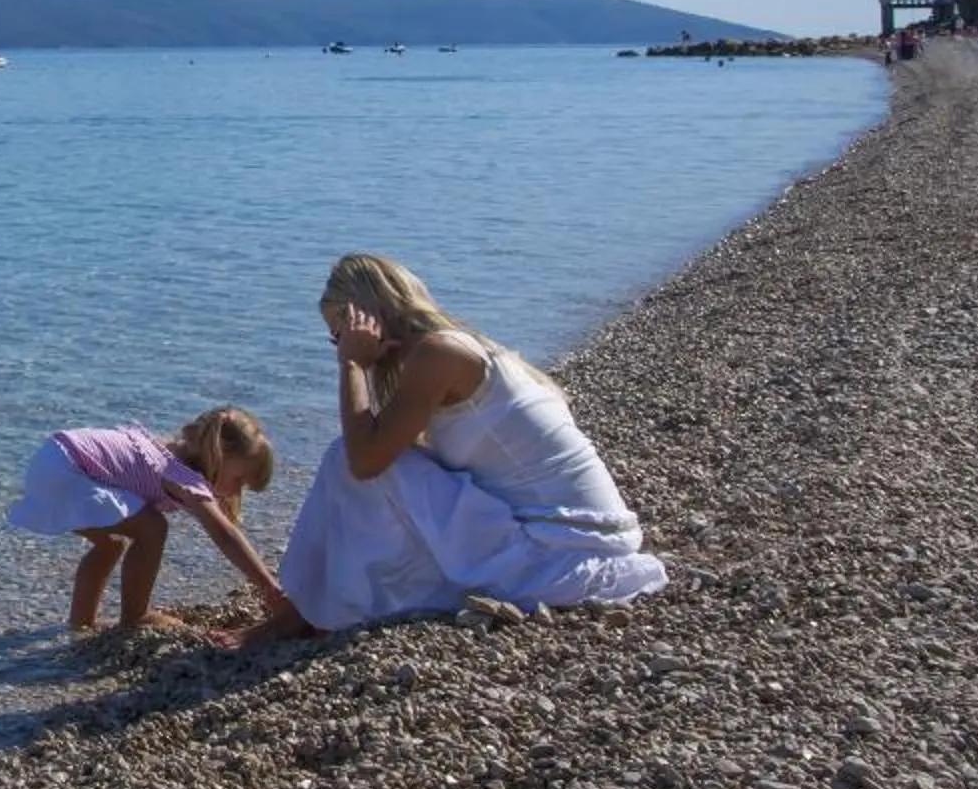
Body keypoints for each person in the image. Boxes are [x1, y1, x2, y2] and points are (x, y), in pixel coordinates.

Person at [244, 253, 666, 642]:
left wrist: (352, 365)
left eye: (339, 334)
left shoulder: (438, 354)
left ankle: (309, 612)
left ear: (366, 319)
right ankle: (315, 605)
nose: (340, 346)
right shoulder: (462, 347)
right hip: (582, 536)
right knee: (379, 460)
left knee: (347, 458)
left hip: (558, 554)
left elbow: (365, 460)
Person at [6, 408, 288, 632]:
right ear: (217, 454)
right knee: (152, 527)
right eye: (238, 480)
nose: (236, 491)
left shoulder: (166, 452)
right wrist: (268, 586)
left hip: (53, 459)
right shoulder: (182, 478)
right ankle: (135, 616)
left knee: (111, 544)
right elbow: (224, 535)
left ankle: (81, 624)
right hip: (70, 468)